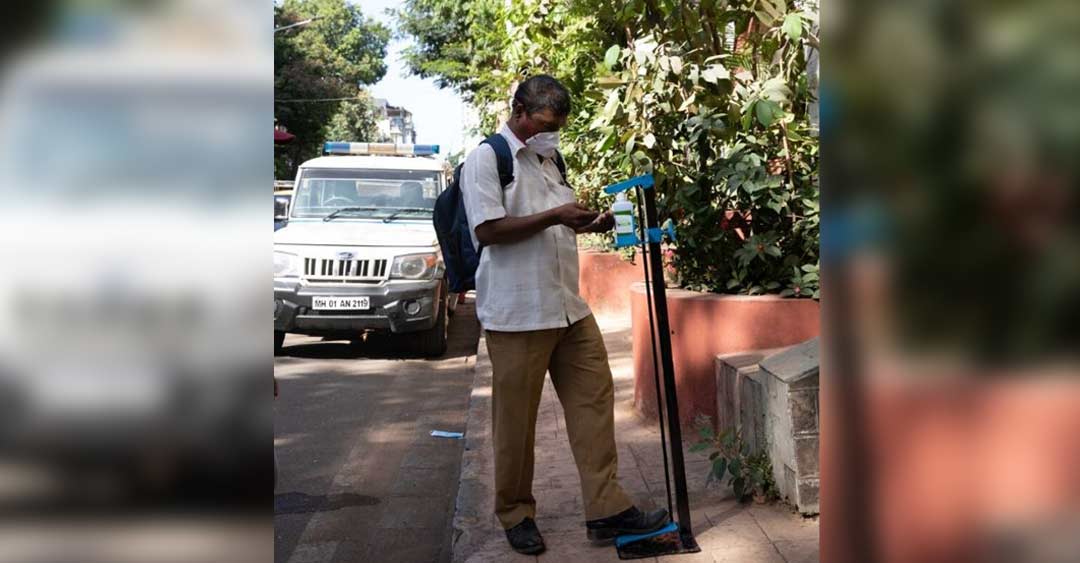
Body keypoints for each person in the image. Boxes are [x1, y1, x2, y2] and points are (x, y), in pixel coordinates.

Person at [460, 74, 668, 555]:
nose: (549, 133)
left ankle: (607, 509)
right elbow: (489, 229)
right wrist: (555, 216)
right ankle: (516, 514)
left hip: (567, 307)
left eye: (556, 126)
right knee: (516, 422)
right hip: (517, 312)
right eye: (542, 123)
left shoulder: (551, 158)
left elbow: (556, 227)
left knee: (594, 403)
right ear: (518, 110)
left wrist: (589, 221)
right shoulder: (486, 159)